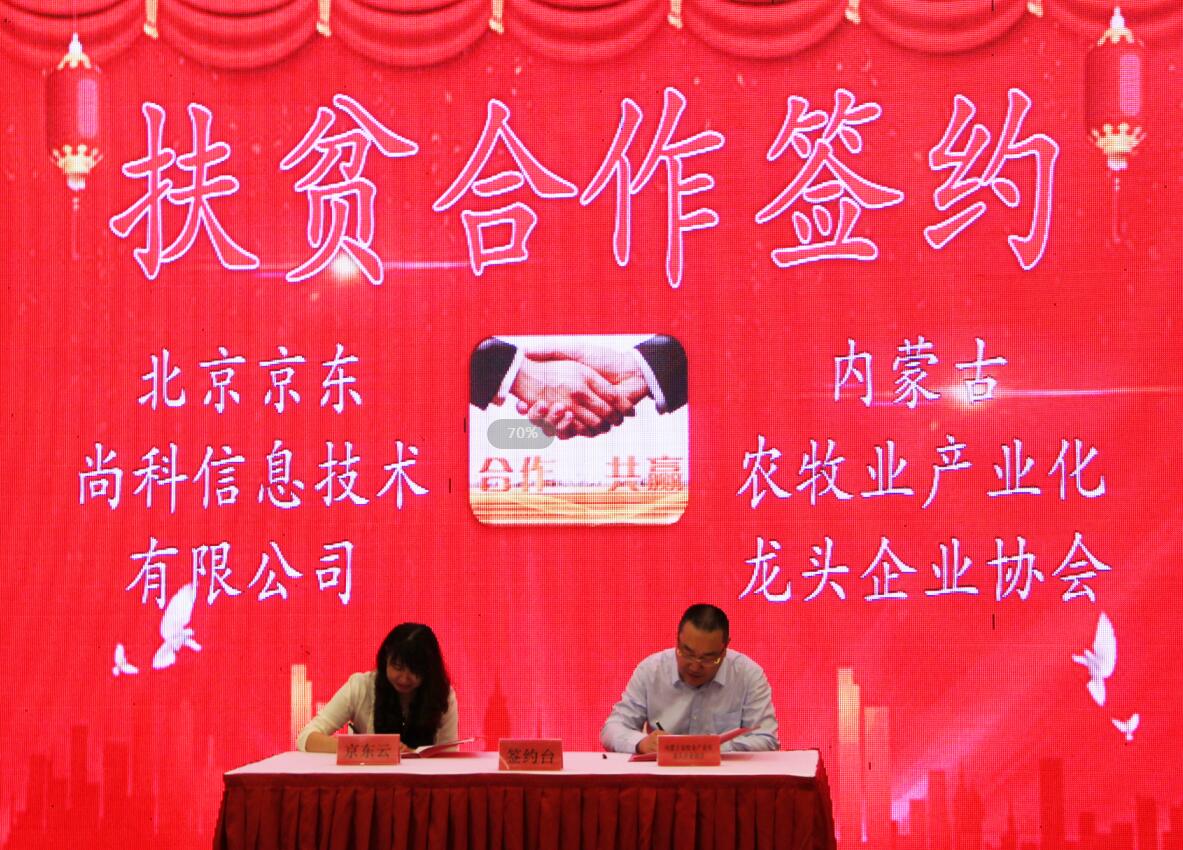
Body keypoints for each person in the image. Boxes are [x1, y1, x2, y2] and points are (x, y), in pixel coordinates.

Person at [600, 604, 779, 754]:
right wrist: (641, 743)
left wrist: (711, 748)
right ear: (677, 640)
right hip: (663, 779)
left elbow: (767, 739)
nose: (695, 667)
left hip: (726, 780)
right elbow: (612, 728)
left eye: (708, 659)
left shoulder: (748, 676)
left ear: (724, 649)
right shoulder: (651, 671)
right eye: (687, 653)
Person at [296, 623, 458, 753]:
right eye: (398, 667)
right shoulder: (361, 686)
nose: (404, 678)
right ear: (385, 658)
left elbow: (449, 756)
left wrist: (413, 755)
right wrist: (363, 747)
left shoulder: (442, 695)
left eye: (414, 671)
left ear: (429, 670)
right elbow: (306, 737)